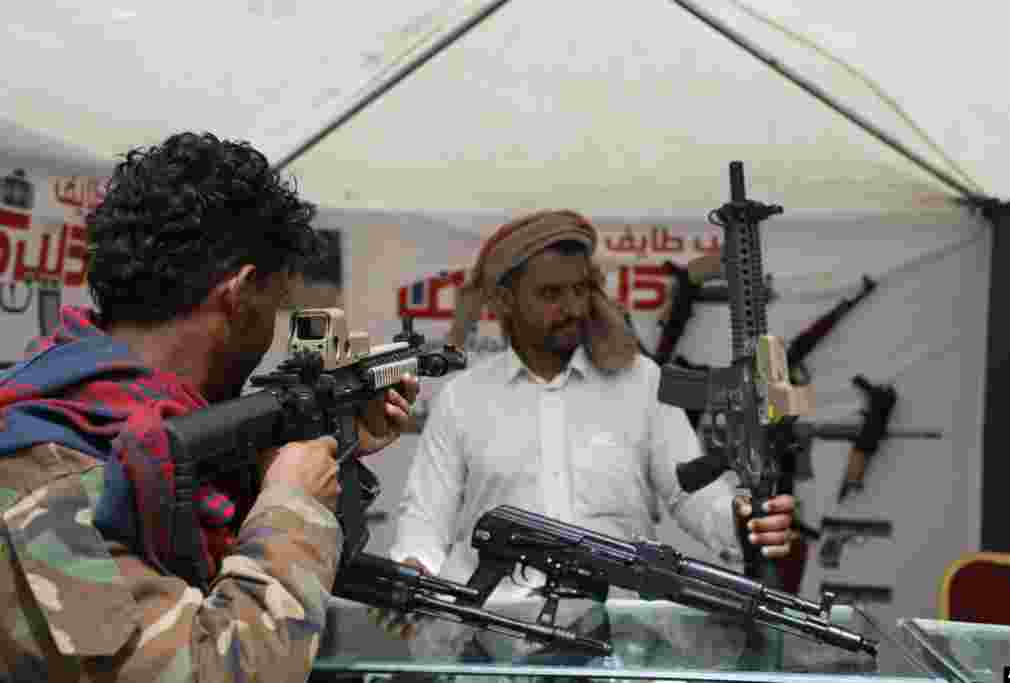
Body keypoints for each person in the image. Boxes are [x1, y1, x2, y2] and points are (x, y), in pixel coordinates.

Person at [0, 132, 419, 682]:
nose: (273, 327)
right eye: (275, 303)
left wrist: (335, 450)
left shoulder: (129, 429)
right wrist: (293, 507)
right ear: (241, 292)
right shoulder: (46, 476)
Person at [375, 210, 794, 662]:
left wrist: (741, 520)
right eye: (551, 293)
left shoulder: (641, 382)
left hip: (616, 646)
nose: (573, 307)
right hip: (492, 647)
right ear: (505, 300)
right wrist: (413, 569)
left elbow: (690, 494)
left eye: (580, 289)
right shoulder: (464, 398)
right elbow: (426, 517)